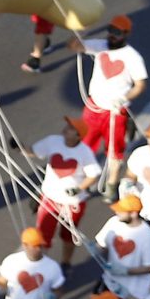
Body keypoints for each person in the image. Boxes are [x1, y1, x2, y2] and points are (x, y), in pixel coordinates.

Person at [69, 16, 145, 197]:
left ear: (126, 34)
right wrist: (81, 33)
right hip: (94, 107)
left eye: (117, 32)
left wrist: (124, 98)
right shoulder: (100, 45)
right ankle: (82, 179)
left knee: (114, 150)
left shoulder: (132, 57)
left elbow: (140, 84)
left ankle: (111, 185)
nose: (112, 35)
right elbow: (74, 46)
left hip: (115, 111)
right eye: (111, 30)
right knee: (84, 144)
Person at [32, 113, 102, 265]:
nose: (66, 128)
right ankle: (41, 266)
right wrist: (20, 148)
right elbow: (34, 152)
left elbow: (93, 175)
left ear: (78, 136)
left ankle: (66, 263)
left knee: (68, 235)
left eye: (71, 128)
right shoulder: (53, 141)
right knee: (42, 234)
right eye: (68, 126)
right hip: (50, 197)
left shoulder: (84, 152)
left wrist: (78, 189)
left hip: (72, 203)